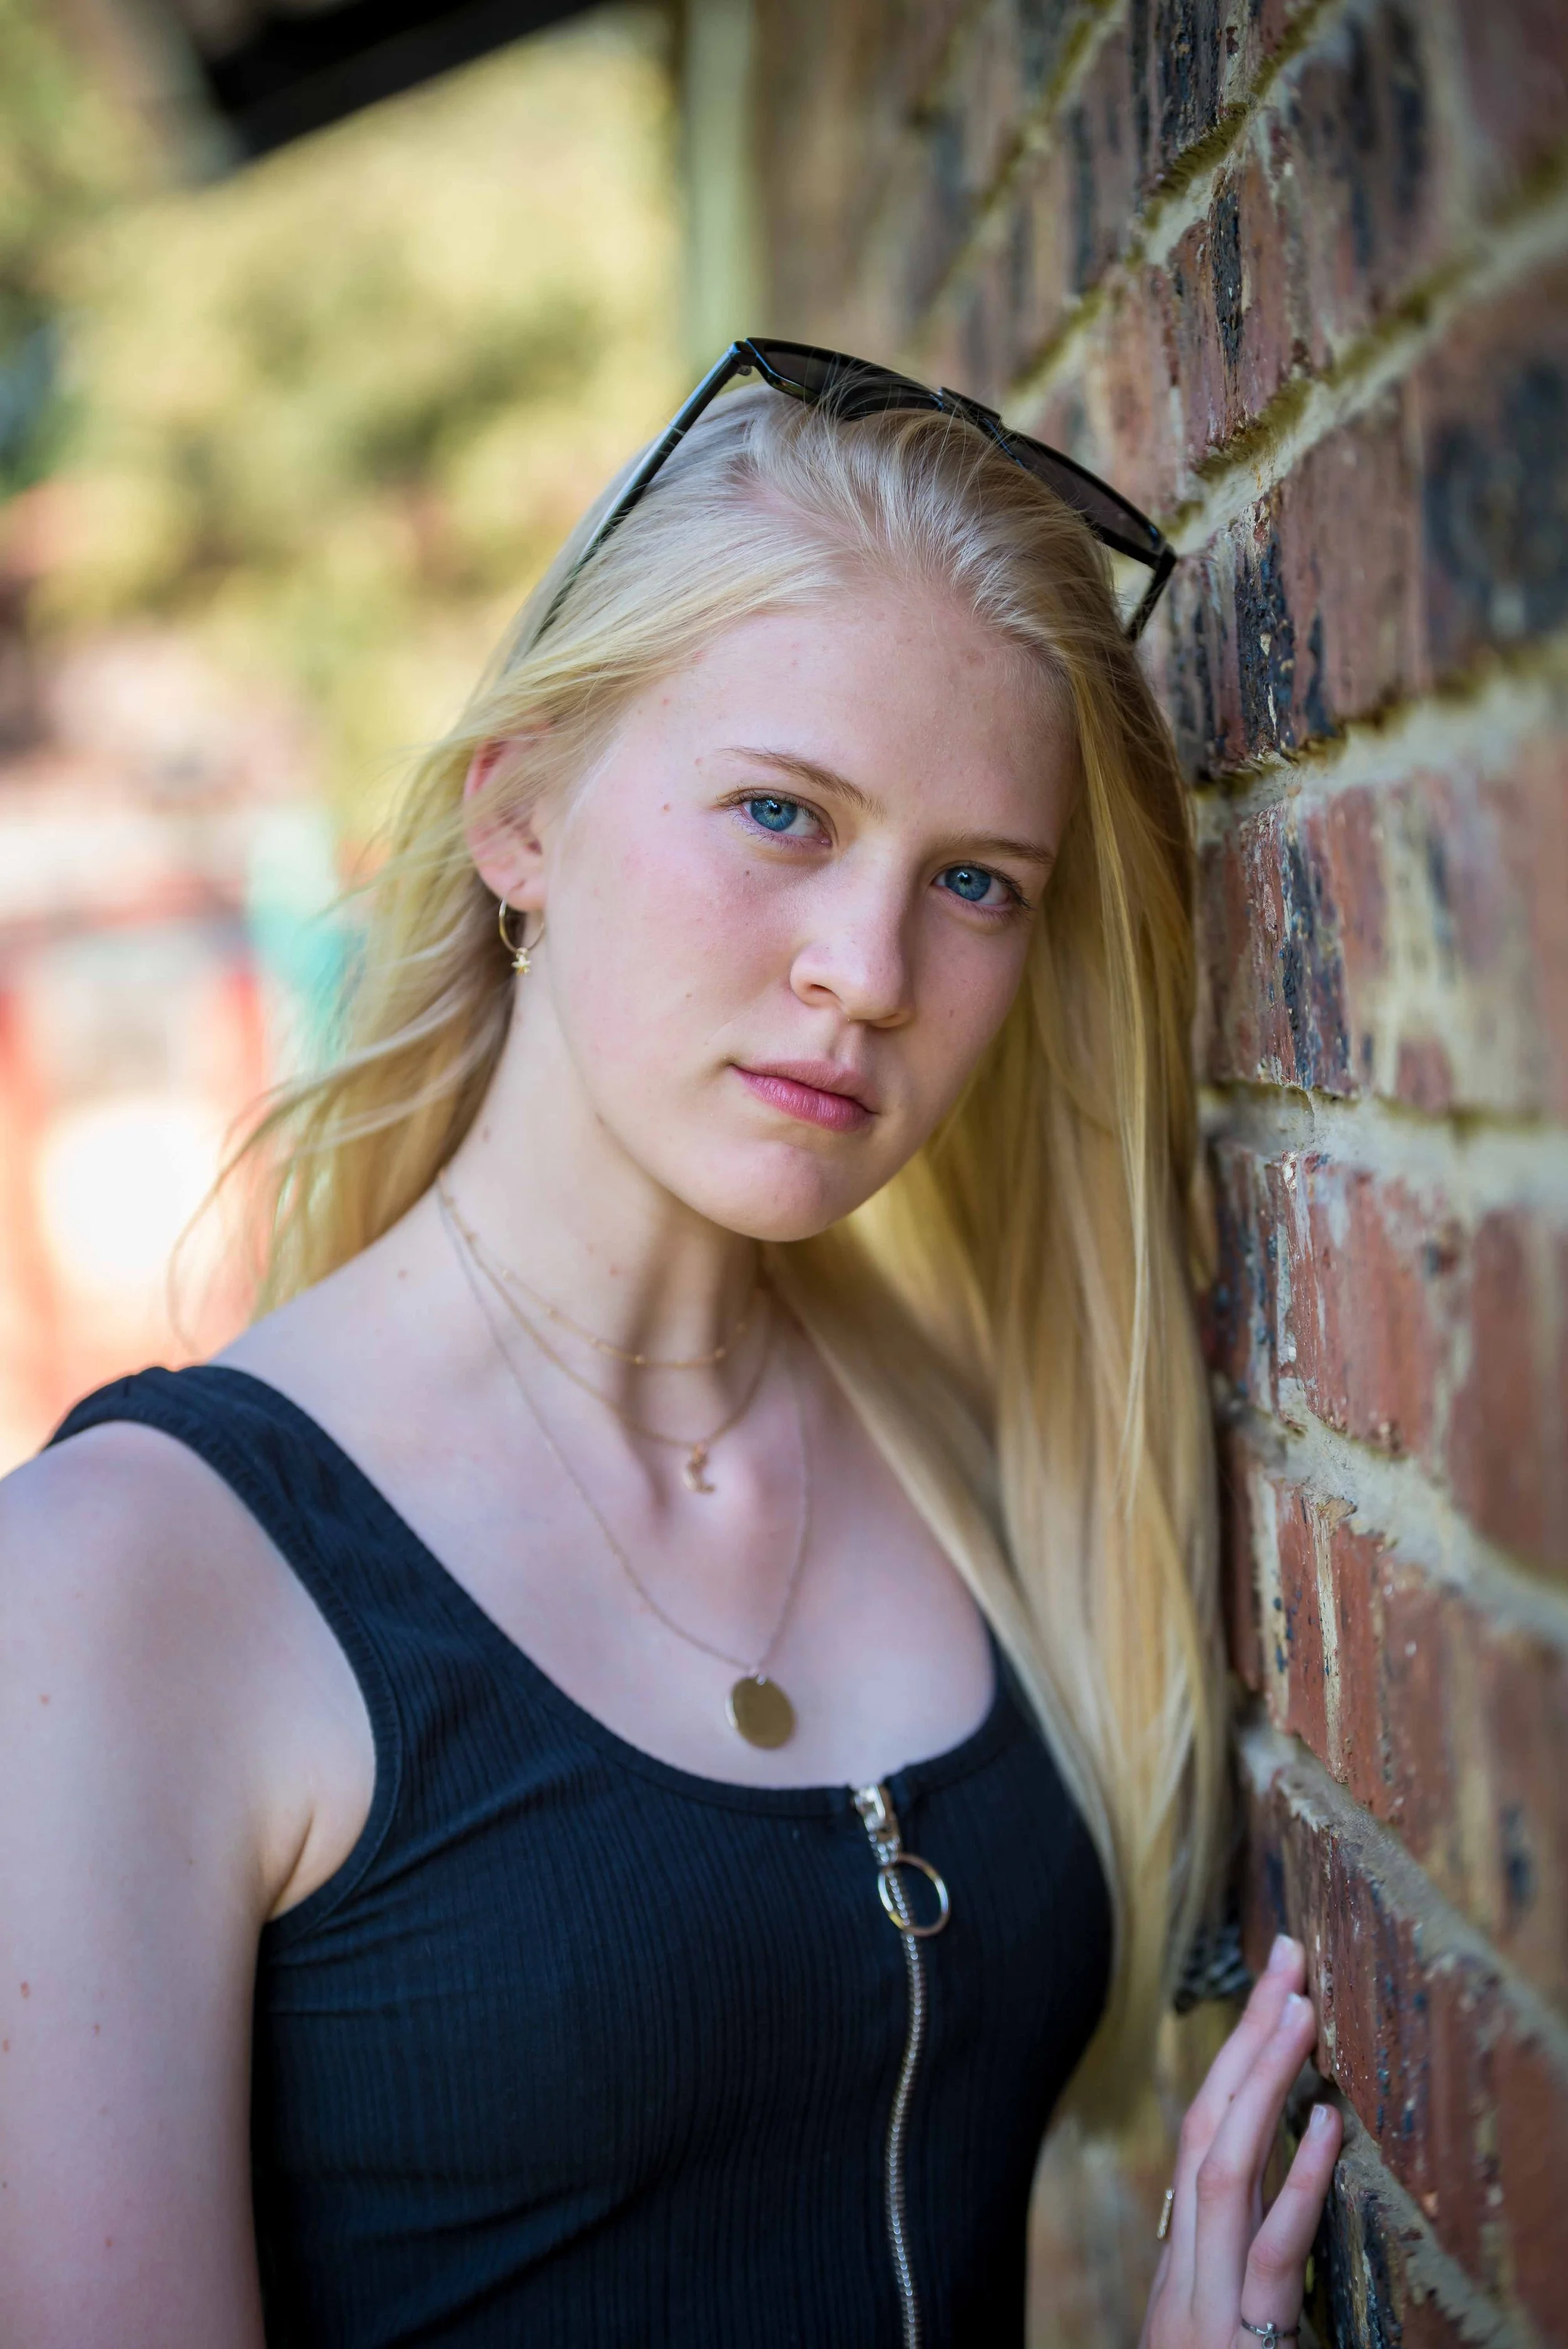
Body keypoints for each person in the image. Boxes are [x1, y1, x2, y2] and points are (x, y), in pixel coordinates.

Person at [0, 343, 1342, 2347]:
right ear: (519, 815)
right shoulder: (127, 1585)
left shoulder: (981, 1462)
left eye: (974, 883)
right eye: (783, 816)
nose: (867, 977)